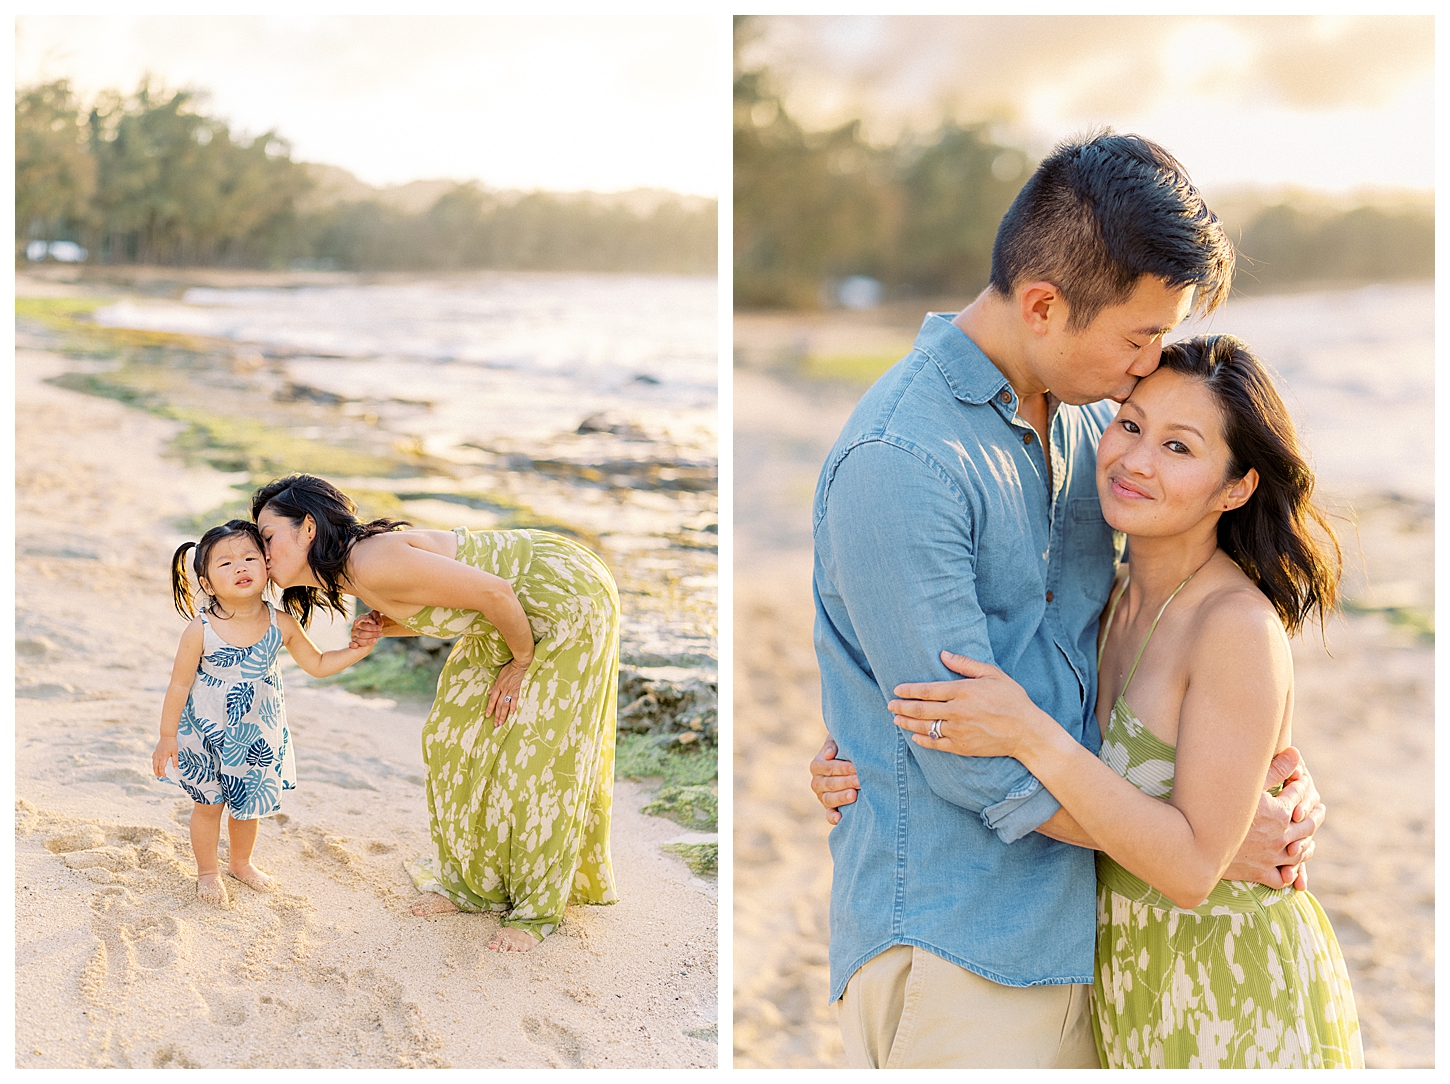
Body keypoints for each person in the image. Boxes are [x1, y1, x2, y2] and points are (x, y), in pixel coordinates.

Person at [805, 131, 1324, 1068]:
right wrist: (1195, 847)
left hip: (1082, 940)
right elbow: (974, 766)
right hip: (959, 941)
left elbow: (1142, 647)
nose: (1148, 365)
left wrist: (1239, 795)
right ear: (1044, 305)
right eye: (1138, 337)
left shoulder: (1095, 424)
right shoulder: (900, 463)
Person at [887, 335, 1362, 1067]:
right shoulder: (1104, 596)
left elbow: (1190, 868)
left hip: (1231, 990)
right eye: (1132, 425)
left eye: (1180, 447)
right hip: (1128, 979)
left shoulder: (1233, 627)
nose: (1136, 460)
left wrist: (1029, 733)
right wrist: (852, 756)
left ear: (1236, 487)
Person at [251, 474, 619, 953]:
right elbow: (453, 606)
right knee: (455, 739)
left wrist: (522, 663)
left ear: (307, 529)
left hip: (567, 600)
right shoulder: (353, 572)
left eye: (267, 537)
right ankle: (475, 885)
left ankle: (536, 909)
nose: (262, 554)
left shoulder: (370, 561)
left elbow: (497, 594)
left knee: (535, 760)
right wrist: (386, 627)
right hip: (515, 618)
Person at [152, 520, 376, 905]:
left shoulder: (281, 623)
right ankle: (208, 872)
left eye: (250, 557)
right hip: (204, 735)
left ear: (267, 565)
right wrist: (167, 736)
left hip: (256, 738)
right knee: (208, 807)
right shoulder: (201, 629)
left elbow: (319, 663)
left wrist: (359, 648)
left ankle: (241, 863)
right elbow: (179, 685)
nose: (240, 567)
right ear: (206, 583)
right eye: (225, 564)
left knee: (246, 807)